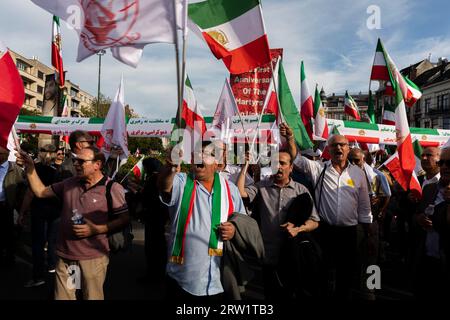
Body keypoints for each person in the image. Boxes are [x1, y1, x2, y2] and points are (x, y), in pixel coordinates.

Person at [15, 146, 129, 300]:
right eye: (75, 160)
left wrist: (96, 230)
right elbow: (40, 191)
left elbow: (124, 219)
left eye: (81, 161)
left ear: (98, 164)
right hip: (66, 258)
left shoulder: (112, 188)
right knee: (65, 297)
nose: (75, 164)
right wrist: (30, 167)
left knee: (91, 297)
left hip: (92, 259)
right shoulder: (69, 183)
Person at [158, 142, 247, 300]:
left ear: (217, 164)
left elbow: (242, 222)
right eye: (197, 153)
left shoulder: (231, 189)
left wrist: (233, 229)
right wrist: (171, 166)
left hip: (219, 280)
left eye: (207, 154)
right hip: (183, 278)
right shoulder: (182, 181)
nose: (200, 157)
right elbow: (165, 185)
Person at [293, 135, 372, 299]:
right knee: (322, 272)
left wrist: (368, 231)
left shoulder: (358, 173)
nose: (339, 148)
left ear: (348, 148)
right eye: (335, 145)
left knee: (346, 275)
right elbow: (297, 159)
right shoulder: (319, 169)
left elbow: (364, 206)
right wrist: (291, 139)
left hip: (349, 233)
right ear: (328, 149)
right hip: (324, 232)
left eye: (343, 145)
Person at [237, 148, 319, 299]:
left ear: (291, 167)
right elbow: (240, 192)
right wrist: (246, 165)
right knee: (270, 294)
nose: (279, 166)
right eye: (275, 163)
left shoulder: (301, 191)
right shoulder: (261, 187)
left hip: (292, 256)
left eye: (283, 163)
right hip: (268, 254)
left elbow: (314, 221)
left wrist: (298, 229)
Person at [19, 144, 61, 287]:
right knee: (52, 240)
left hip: (39, 210)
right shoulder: (59, 170)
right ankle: (52, 265)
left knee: (38, 243)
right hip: (55, 211)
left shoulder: (34, 170)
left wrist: (22, 212)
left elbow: (30, 193)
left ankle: (38, 276)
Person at [0, 146, 25, 268]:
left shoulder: (15, 169)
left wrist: (18, 206)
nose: (0, 156)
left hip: (7, 206)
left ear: (7, 154)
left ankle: (9, 258)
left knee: (8, 233)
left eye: (2, 153)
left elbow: (22, 189)